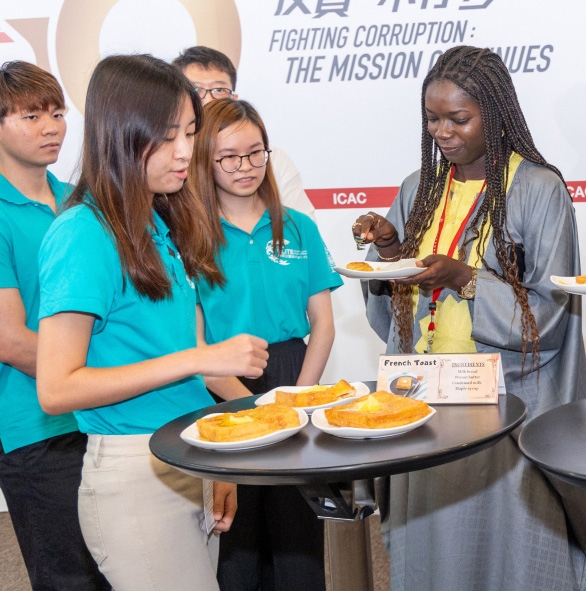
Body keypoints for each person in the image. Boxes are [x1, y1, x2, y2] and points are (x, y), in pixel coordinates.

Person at [352, 45, 586, 591]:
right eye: (432, 119)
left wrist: (463, 279)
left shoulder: (538, 189)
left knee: (513, 560)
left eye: (458, 119)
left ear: (493, 115)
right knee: (434, 557)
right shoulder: (417, 189)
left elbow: (551, 317)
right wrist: (392, 252)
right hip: (424, 406)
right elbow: (393, 324)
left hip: (504, 414)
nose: (442, 132)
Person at [34, 54, 269, 591]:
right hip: (135, 469)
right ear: (122, 135)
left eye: (190, 131)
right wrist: (199, 357)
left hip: (189, 452)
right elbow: (56, 387)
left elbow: (178, 359)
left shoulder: (156, 224)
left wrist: (221, 454)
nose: (186, 151)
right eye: (166, 136)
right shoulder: (84, 233)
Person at [189, 98, 340, 590]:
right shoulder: (187, 237)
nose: (245, 166)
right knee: (236, 542)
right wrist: (254, 409)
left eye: (256, 153)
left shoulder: (298, 226)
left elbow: (323, 324)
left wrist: (297, 401)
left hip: (295, 380)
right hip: (222, 393)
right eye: (228, 156)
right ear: (204, 160)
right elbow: (197, 347)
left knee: (299, 539)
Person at [0, 61, 109, 591]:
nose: (51, 127)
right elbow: (9, 339)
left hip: (105, 416)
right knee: (69, 579)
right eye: (30, 115)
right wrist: (93, 374)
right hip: (36, 428)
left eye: (57, 113)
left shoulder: (82, 200)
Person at [173, 46, 316, 218]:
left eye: (219, 89)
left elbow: (302, 232)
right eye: (196, 90)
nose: (208, 99)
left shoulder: (273, 159)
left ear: (234, 99)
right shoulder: (171, 160)